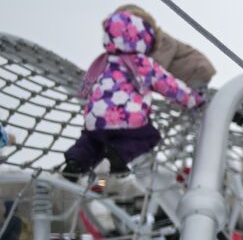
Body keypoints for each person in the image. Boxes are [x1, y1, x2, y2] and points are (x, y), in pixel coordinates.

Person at [61, 10, 206, 177]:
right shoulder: (142, 63)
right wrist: (194, 100)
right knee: (148, 137)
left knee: (91, 141)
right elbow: (169, 86)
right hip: (128, 121)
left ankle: (75, 162)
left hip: (96, 120)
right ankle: (117, 157)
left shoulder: (102, 61)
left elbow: (88, 85)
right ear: (143, 39)